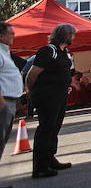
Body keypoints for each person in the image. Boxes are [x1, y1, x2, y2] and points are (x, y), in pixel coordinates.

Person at [24, 24, 77, 178]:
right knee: (46, 128)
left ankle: (50, 158)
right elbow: (32, 74)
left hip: (60, 96)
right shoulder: (48, 51)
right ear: (64, 35)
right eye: (71, 34)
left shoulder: (64, 52)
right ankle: (40, 167)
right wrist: (29, 91)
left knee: (54, 127)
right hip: (47, 96)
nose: (73, 37)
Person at [0, 22, 24, 188]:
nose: (13, 36)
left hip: (9, 101)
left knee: (2, 143)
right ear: (2, 36)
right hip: (3, 101)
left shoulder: (5, 52)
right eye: (11, 34)